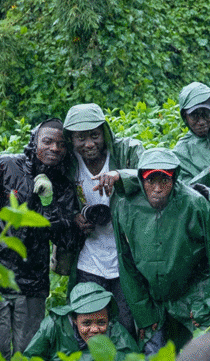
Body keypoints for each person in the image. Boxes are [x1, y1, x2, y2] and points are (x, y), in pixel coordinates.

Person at [112, 148, 210, 354]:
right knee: (154, 360)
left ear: (174, 179)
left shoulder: (194, 203)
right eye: (151, 181)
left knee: (204, 357)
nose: (157, 188)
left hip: (194, 294)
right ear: (141, 180)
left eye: (164, 180)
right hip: (153, 300)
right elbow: (126, 262)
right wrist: (143, 313)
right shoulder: (126, 207)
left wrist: (207, 304)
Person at [0, 118, 80, 361]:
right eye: (47, 141)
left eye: (61, 144)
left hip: (33, 281)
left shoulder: (64, 185)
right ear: (34, 142)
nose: (54, 148)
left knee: (28, 355)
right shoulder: (7, 166)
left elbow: (66, 239)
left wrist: (49, 203)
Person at [63, 103, 142, 338]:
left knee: (126, 325)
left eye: (95, 136)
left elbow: (150, 172)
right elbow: (55, 197)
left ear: (105, 133)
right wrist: (74, 218)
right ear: (71, 139)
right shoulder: (68, 163)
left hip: (124, 257)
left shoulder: (126, 151)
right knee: (88, 324)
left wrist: (120, 176)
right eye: (81, 138)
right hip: (88, 259)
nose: (89, 144)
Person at [13, 282, 139, 361]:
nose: (94, 329)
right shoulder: (53, 325)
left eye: (101, 322)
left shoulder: (115, 331)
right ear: (74, 318)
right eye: (86, 323)